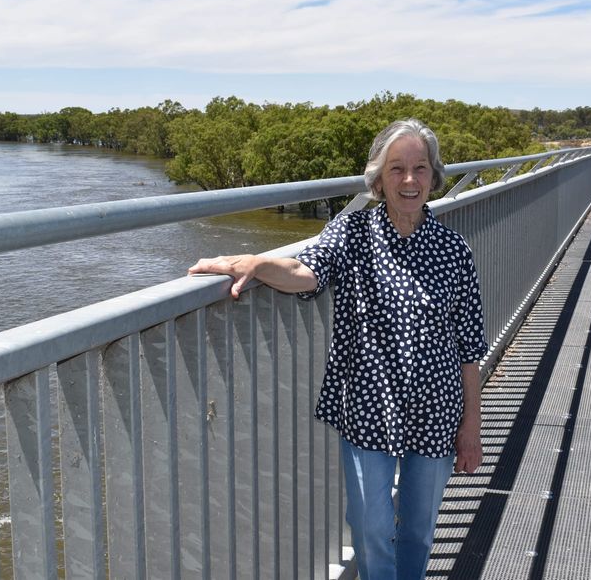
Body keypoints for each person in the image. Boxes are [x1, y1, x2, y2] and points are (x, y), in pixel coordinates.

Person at [188, 118, 488, 579]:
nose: (409, 180)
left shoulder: (453, 250)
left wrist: (471, 425)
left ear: (434, 177)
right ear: (378, 179)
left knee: (419, 530)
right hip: (367, 406)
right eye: (396, 169)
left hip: (437, 409)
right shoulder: (351, 233)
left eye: (420, 168)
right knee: (370, 526)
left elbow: (470, 346)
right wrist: (260, 263)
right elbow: (308, 273)